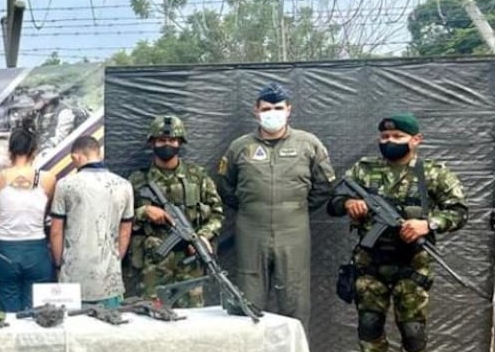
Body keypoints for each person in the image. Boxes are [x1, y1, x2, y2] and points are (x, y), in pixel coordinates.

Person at [327, 113, 467, 352]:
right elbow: (333, 201)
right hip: (370, 262)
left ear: (416, 140)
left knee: (413, 329)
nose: (389, 142)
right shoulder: (364, 170)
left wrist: (428, 224)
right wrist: (349, 204)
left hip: (412, 265)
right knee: (369, 324)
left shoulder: (434, 173)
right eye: (385, 137)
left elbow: (459, 212)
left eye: (397, 137)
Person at [215, 82, 336, 330]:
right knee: (248, 297)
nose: (273, 112)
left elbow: (324, 186)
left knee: (295, 296)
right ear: (256, 111)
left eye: (278, 107)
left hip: (294, 229)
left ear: (289, 110)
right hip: (251, 229)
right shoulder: (240, 147)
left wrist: (296, 208)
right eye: (267, 108)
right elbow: (225, 186)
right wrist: (251, 207)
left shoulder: (309, 144)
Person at [127, 115, 225, 307]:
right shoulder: (138, 180)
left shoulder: (197, 177)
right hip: (154, 262)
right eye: (162, 140)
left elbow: (217, 213)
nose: (167, 144)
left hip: (190, 260)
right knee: (152, 316)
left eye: (172, 140)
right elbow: (122, 219)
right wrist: (144, 211)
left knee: (193, 318)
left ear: (180, 143)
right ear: (152, 143)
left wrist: (203, 236)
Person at [49, 135, 133, 308]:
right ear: (99, 154)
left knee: (73, 331)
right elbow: (125, 231)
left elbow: (56, 231)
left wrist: (59, 265)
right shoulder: (124, 185)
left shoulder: (65, 185)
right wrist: (115, 260)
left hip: (73, 278)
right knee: (111, 330)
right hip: (110, 280)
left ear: (76, 157)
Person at [0, 123, 55, 312]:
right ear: (34, 151)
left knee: (10, 315)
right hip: (37, 251)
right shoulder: (48, 179)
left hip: (6, 250)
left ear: (10, 151)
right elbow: (45, 213)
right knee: (37, 314)